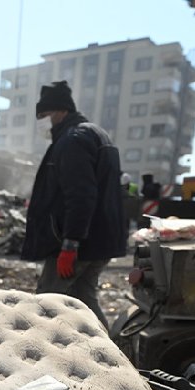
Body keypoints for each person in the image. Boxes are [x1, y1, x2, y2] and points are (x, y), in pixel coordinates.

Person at [22, 80, 126, 329]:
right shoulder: (93, 133)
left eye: (44, 115)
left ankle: (37, 355)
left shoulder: (73, 140)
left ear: (61, 110)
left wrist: (70, 244)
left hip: (79, 244)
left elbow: (81, 195)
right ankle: (110, 355)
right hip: (99, 241)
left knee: (46, 302)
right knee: (85, 299)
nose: (42, 121)